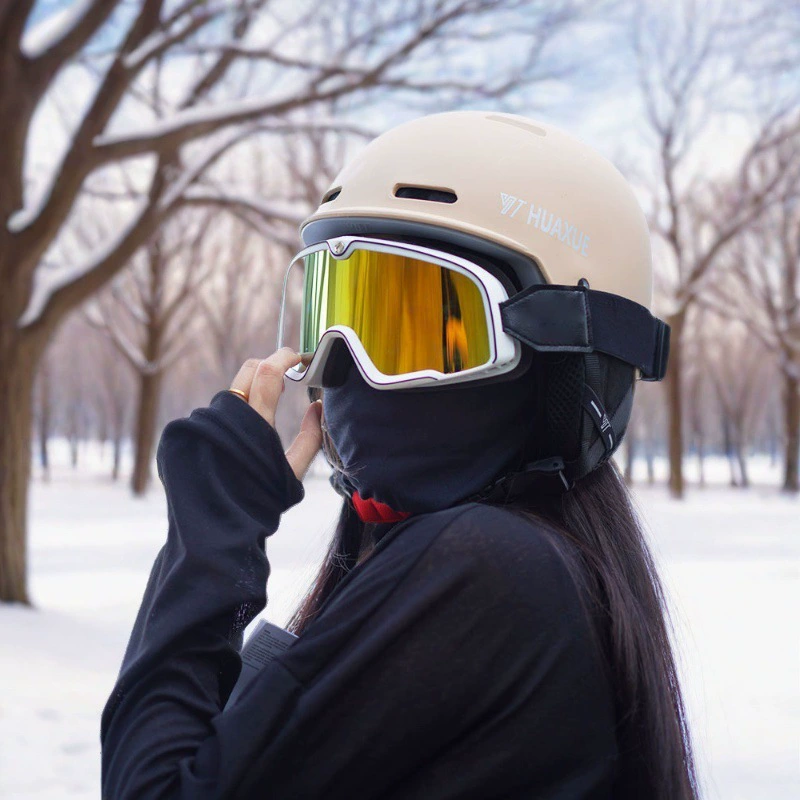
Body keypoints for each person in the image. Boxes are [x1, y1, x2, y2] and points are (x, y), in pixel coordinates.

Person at [101, 112, 698, 799]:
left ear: (570, 363)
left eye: (419, 329)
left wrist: (213, 532)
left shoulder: (493, 571)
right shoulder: (545, 572)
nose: (346, 364)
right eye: (333, 314)